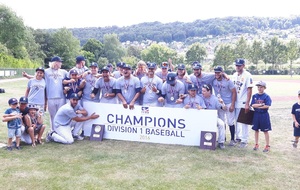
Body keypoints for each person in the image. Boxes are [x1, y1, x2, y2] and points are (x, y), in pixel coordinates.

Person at [212, 66, 237, 146]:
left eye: (218, 72)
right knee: (222, 122)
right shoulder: (213, 80)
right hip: (220, 104)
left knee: (230, 121)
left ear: (222, 72)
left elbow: (234, 92)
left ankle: (233, 139)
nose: (217, 74)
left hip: (228, 102)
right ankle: (223, 138)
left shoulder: (228, 81)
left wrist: (232, 104)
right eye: (215, 72)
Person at [232, 58, 253, 148]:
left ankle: (244, 140)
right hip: (236, 101)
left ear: (243, 65)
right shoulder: (234, 75)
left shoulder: (248, 75)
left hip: (243, 101)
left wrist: (247, 103)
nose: (237, 67)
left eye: (239, 65)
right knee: (236, 120)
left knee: (244, 121)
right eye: (236, 65)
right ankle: (238, 137)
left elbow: (249, 89)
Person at [201, 84, 226, 149]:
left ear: (209, 91)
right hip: (203, 117)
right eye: (202, 91)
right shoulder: (200, 97)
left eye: (204, 91)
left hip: (213, 117)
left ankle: (221, 142)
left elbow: (224, 108)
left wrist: (222, 103)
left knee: (221, 124)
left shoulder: (215, 99)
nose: (202, 92)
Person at [250, 81, 272, 152]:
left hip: (264, 115)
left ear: (264, 88)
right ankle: (256, 144)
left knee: (265, 130)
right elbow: (252, 105)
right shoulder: (255, 96)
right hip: (256, 114)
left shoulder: (266, 96)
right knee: (256, 130)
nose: (259, 88)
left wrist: (259, 106)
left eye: (261, 87)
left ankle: (267, 145)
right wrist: (261, 105)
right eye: (258, 87)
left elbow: (267, 106)